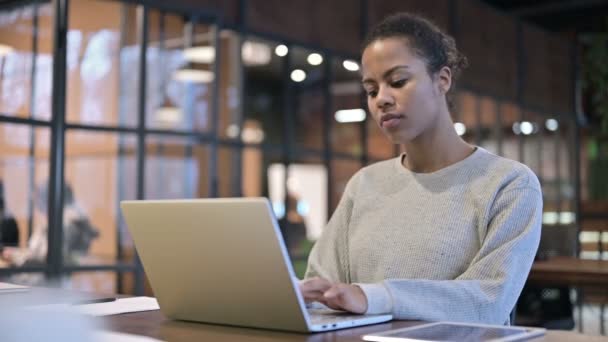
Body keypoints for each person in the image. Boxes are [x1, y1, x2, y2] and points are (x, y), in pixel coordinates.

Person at [299, 13, 542, 325]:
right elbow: (321, 289)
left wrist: (377, 297)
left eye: (398, 82)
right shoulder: (364, 184)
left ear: (442, 79)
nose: (381, 100)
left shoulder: (509, 183)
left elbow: (489, 300)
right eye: (371, 90)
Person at [2, 182, 98, 269]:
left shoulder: (66, 223)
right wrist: (16, 254)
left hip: (47, 282)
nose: (37, 202)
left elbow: (46, 258)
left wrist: (16, 257)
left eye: (40, 197)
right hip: (41, 277)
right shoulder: (54, 221)